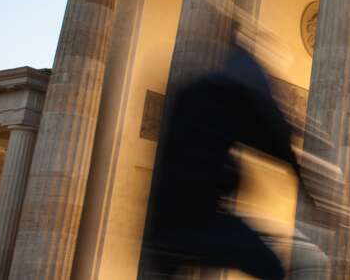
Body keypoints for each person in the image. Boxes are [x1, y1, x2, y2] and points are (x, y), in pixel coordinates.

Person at [141, 40, 330, 279]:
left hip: (167, 225)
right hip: (201, 221)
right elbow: (275, 139)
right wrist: (310, 189)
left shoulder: (195, 93)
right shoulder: (232, 98)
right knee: (273, 266)